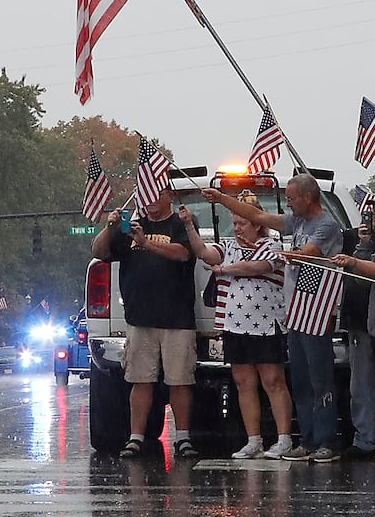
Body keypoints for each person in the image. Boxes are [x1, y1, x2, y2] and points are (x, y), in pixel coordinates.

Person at [203, 173, 344, 463]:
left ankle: (327, 441)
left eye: (291, 199)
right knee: (301, 380)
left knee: (320, 379)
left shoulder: (326, 225)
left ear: (307, 197)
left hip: (316, 310)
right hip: (295, 310)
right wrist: (222, 199)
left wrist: (284, 254)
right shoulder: (298, 222)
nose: (289, 204)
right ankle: (306, 440)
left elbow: (309, 253)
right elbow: (257, 215)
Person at [183, 197, 295, 460]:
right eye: (234, 223)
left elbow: (257, 267)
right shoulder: (227, 247)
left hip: (268, 326)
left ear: (258, 224)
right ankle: (253, 440)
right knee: (243, 383)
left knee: (273, 381)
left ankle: (283, 439)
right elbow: (204, 253)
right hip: (234, 326)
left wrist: (223, 269)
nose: (237, 228)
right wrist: (189, 227)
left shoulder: (273, 247)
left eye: (243, 222)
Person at [90, 187, 198, 460]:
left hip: (177, 318)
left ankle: (182, 438)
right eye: (145, 195)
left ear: (169, 197)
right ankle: (135, 437)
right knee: (140, 381)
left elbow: (183, 253)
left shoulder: (181, 224)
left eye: (155, 194)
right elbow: (100, 252)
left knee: (179, 381)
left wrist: (146, 242)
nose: (149, 201)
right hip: (138, 319)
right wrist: (110, 227)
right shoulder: (130, 228)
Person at [336, 187, 375, 460]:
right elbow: (360, 279)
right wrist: (357, 251)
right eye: (374, 208)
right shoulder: (360, 239)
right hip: (364, 321)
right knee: (361, 384)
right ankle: (366, 439)